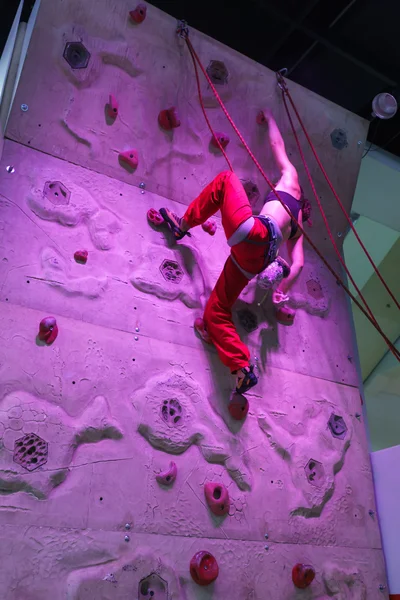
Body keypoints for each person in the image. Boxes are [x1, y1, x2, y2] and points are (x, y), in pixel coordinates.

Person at [159, 108, 310, 395]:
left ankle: (182, 224)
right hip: (253, 261)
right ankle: (241, 368)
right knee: (216, 310)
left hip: (255, 233)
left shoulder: (291, 181)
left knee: (227, 179)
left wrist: (270, 117)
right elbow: (299, 264)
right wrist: (283, 290)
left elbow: (278, 147)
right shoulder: (298, 230)